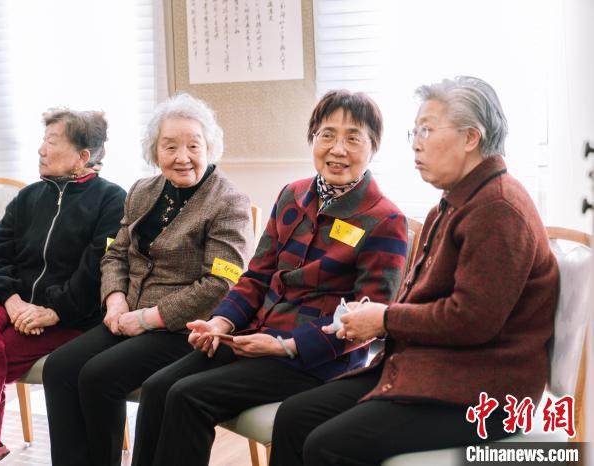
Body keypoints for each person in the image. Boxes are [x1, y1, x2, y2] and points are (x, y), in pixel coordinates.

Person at [269, 76, 560, 466]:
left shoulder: (498, 209)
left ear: (470, 138)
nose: (416, 143)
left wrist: (384, 319)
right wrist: (380, 320)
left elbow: (471, 320)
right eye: (414, 131)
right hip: (430, 368)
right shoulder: (455, 203)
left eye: (427, 130)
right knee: (295, 417)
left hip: (482, 393)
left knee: (328, 445)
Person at [131, 89, 409, 466]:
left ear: (373, 147)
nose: (337, 149)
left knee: (187, 396)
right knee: (157, 387)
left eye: (353, 138)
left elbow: (365, 324)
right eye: (327, 135)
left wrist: (285, 346)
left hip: (315, 360)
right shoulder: (292, 195)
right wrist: (220, 322)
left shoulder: (385, 220)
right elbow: (256, 275)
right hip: (253, 337)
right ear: (312, 138)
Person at [41, 93, 254, 466]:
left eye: (193, 145)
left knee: (98, 375)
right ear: (155, 151)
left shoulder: (227, 202)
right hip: (127, 316)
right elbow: (115, 253)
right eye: (169, 146)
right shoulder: (142, 191)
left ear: (210, 148)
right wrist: (115, 300)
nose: (182, 156)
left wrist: (148, 318)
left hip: (181, 328)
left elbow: (221, 284)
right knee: (59, 367)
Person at [0, 109, 126, 466]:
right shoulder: (28, 197)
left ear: (83, 156)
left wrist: (53, 311)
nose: (41, 149)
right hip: (16, 304)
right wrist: (12, 302)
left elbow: (97, 269)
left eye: (52, 141)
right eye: (43, 140)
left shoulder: (111, 199)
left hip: (70, 316)